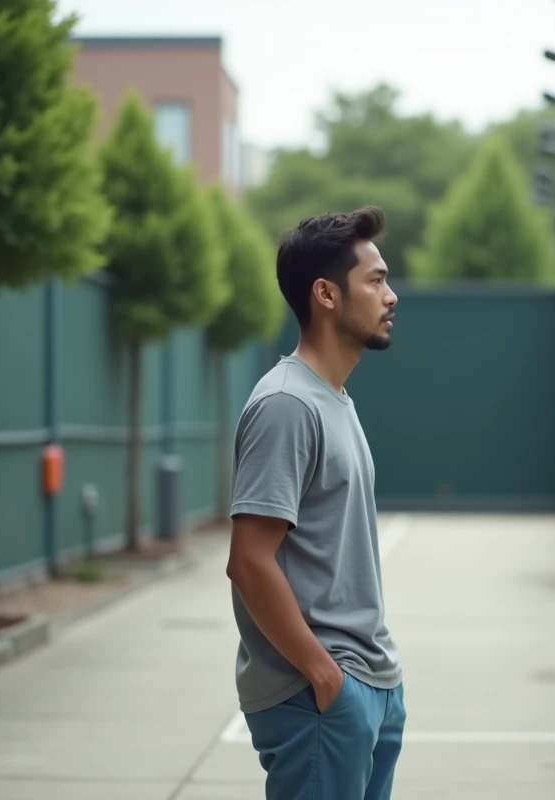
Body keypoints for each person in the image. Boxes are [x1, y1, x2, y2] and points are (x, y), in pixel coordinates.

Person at [225, 206, 404, 800]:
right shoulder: (287, 405)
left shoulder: (334, 400)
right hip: (319, 698)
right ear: (326, 294)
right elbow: (250, 560)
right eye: (375, 280)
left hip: (368, 684)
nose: (391, 294)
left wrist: (372, 685)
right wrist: (325, 676)